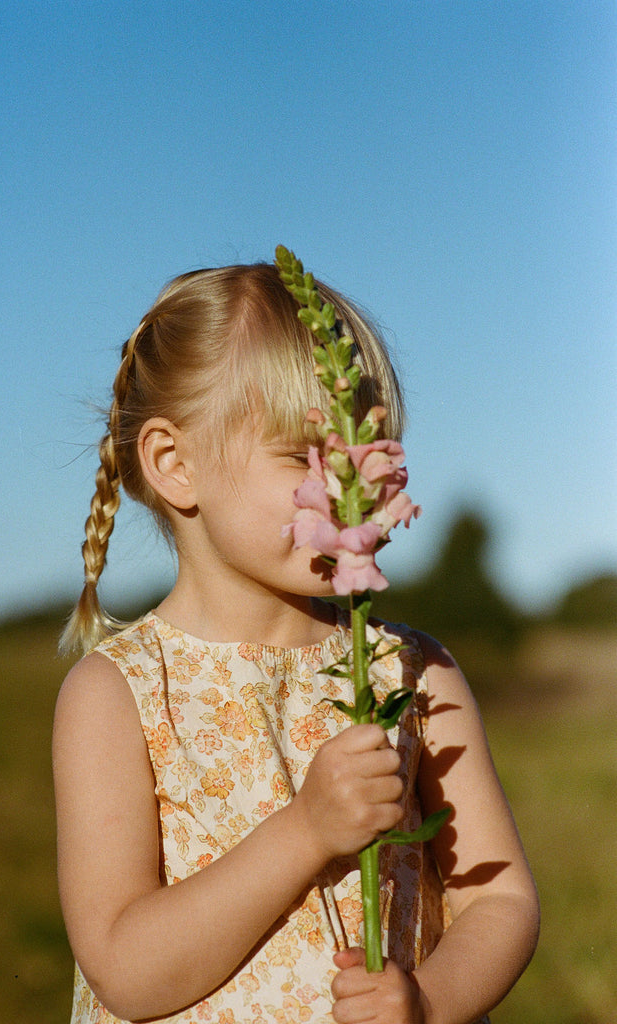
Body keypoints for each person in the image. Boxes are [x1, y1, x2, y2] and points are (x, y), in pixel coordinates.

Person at [53, 261, 539, 1024]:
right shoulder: (117, 691)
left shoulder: (412, 671)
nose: (351, 484)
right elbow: (125, 970)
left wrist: (429, 1001)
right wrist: (305, 829)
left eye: (363, 451)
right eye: (301, 456)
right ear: (175, 465)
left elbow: (500, 897)